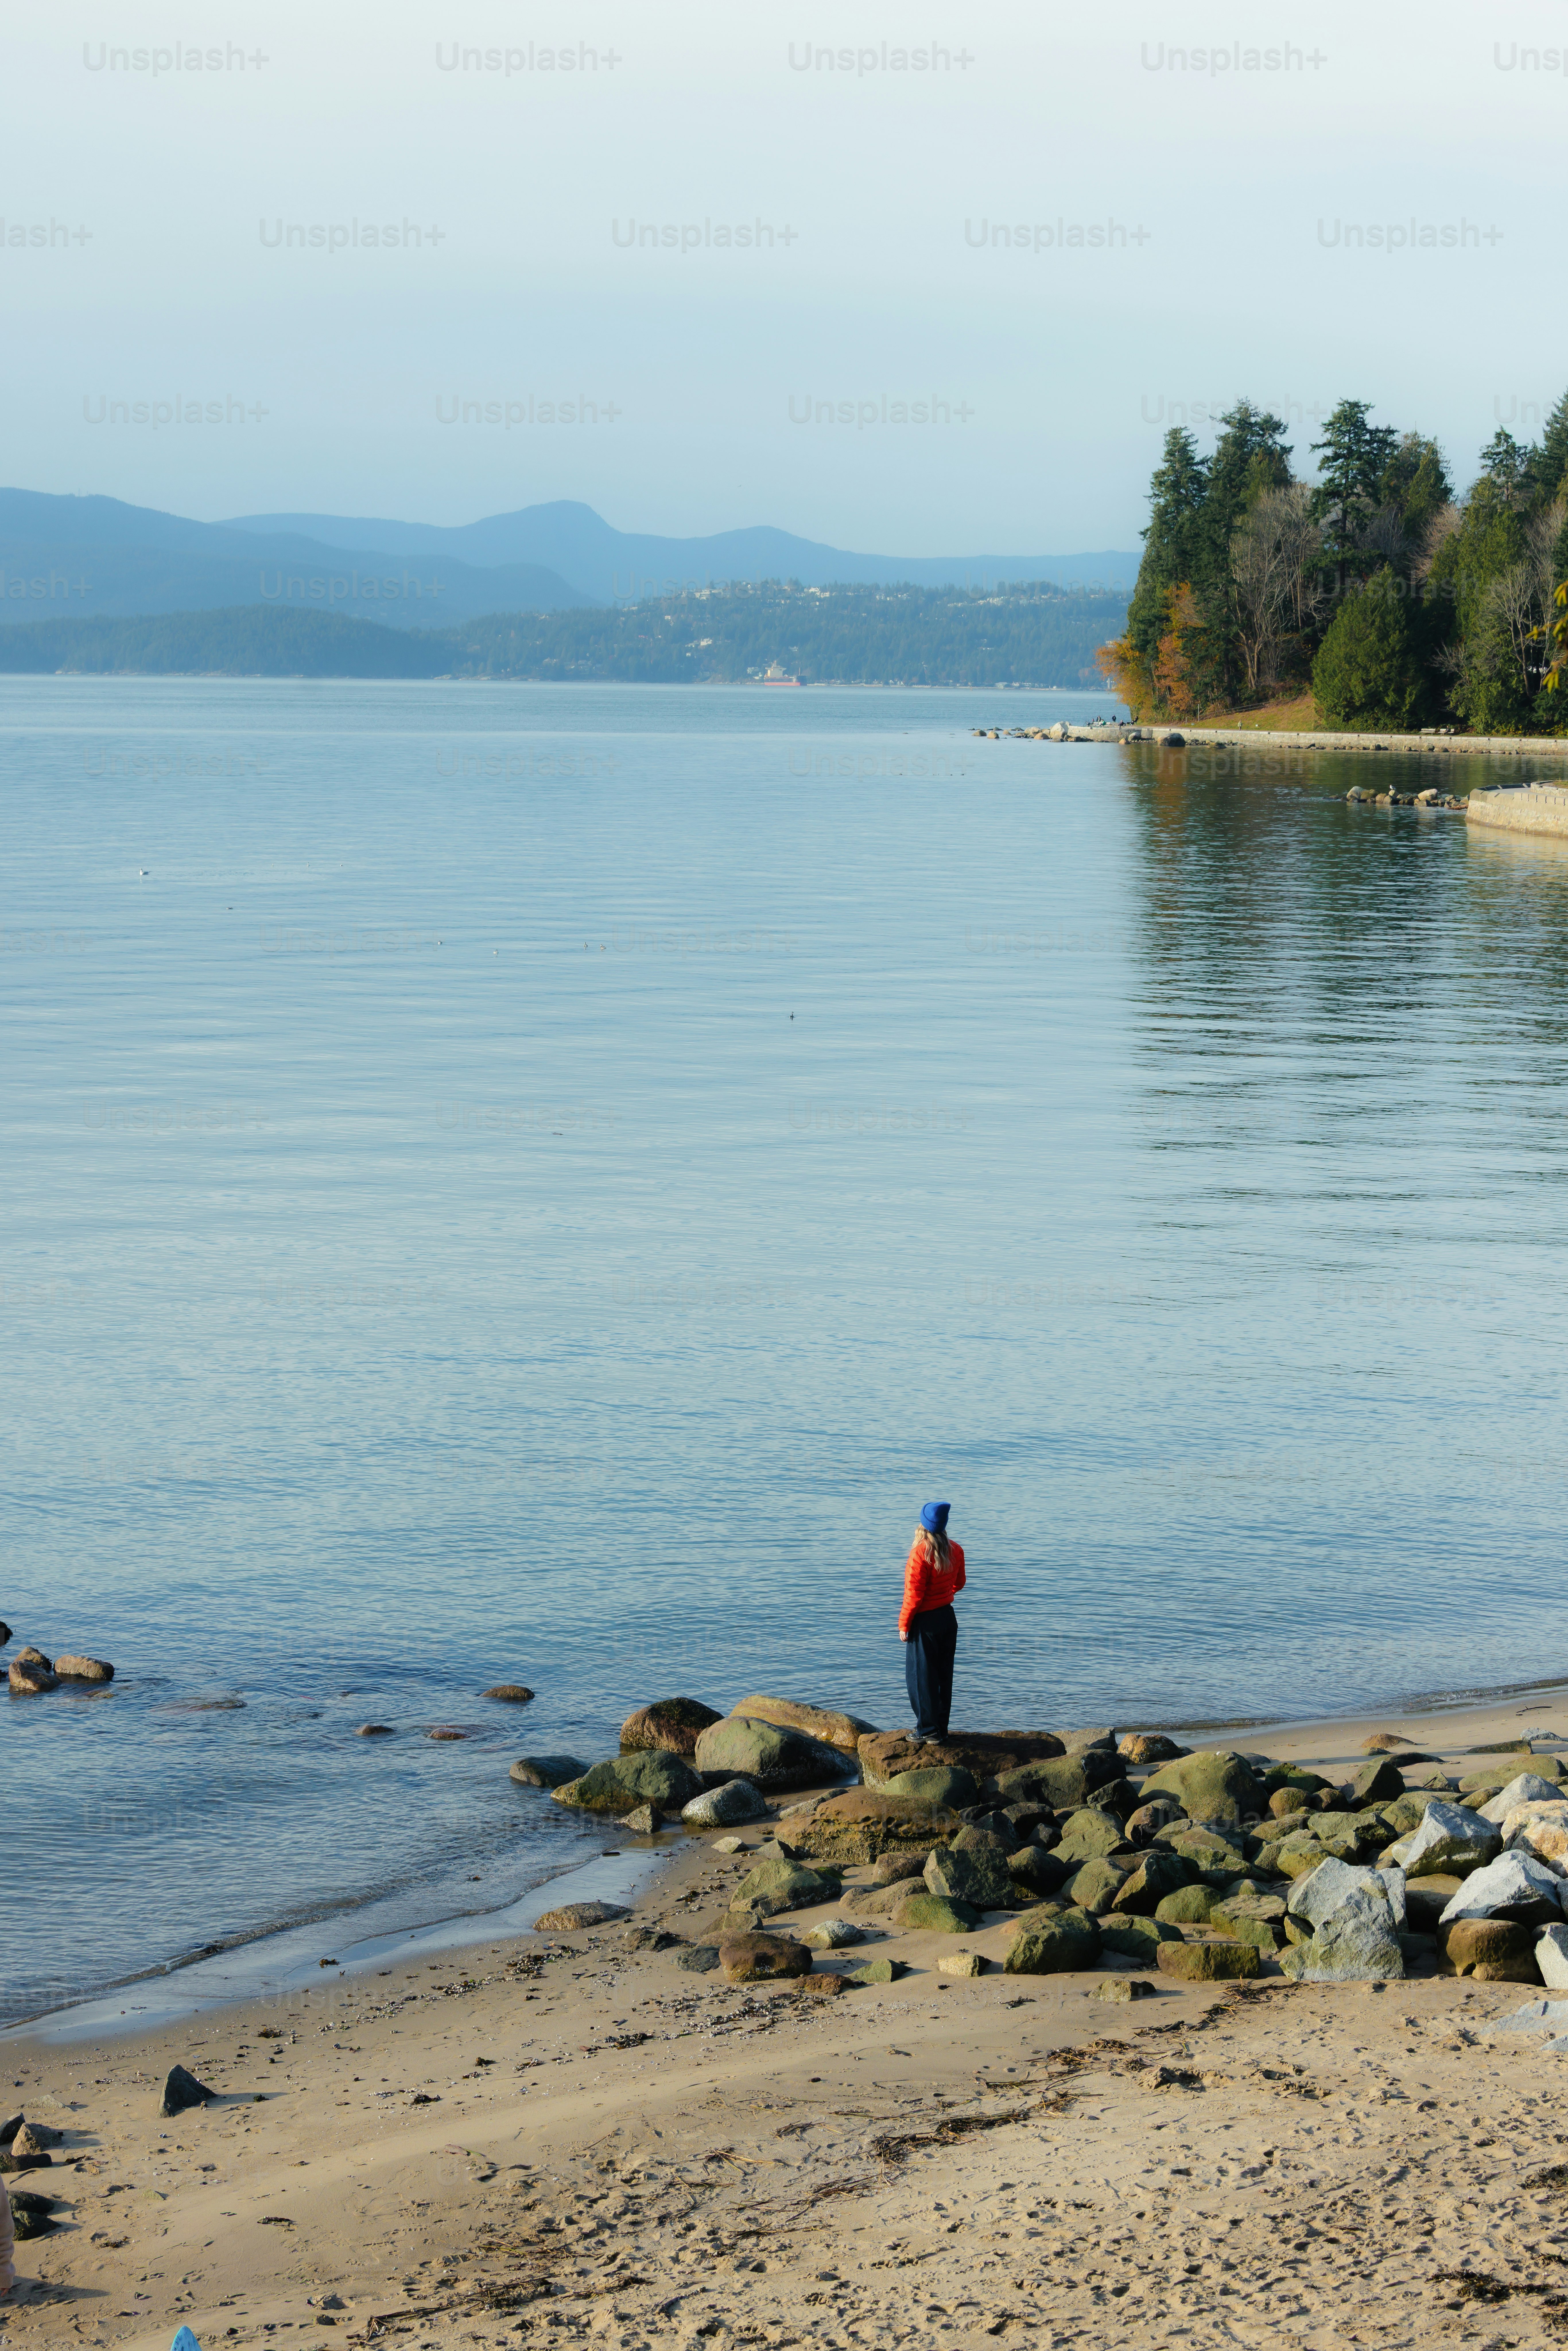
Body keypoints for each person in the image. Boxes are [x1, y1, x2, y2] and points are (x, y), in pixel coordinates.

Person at [899, 1501, 965, 1743]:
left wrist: (904, 1624)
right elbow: (960, 1583)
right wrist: (944, 1594)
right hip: (948, 1618)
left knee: (920, 1677)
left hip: (925, 1622)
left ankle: (927, 1730)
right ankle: (941, 1730)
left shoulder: (920, 1554)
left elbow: (913, 1595)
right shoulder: (956, 1550)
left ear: (924, 1524)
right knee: (943, 1676)